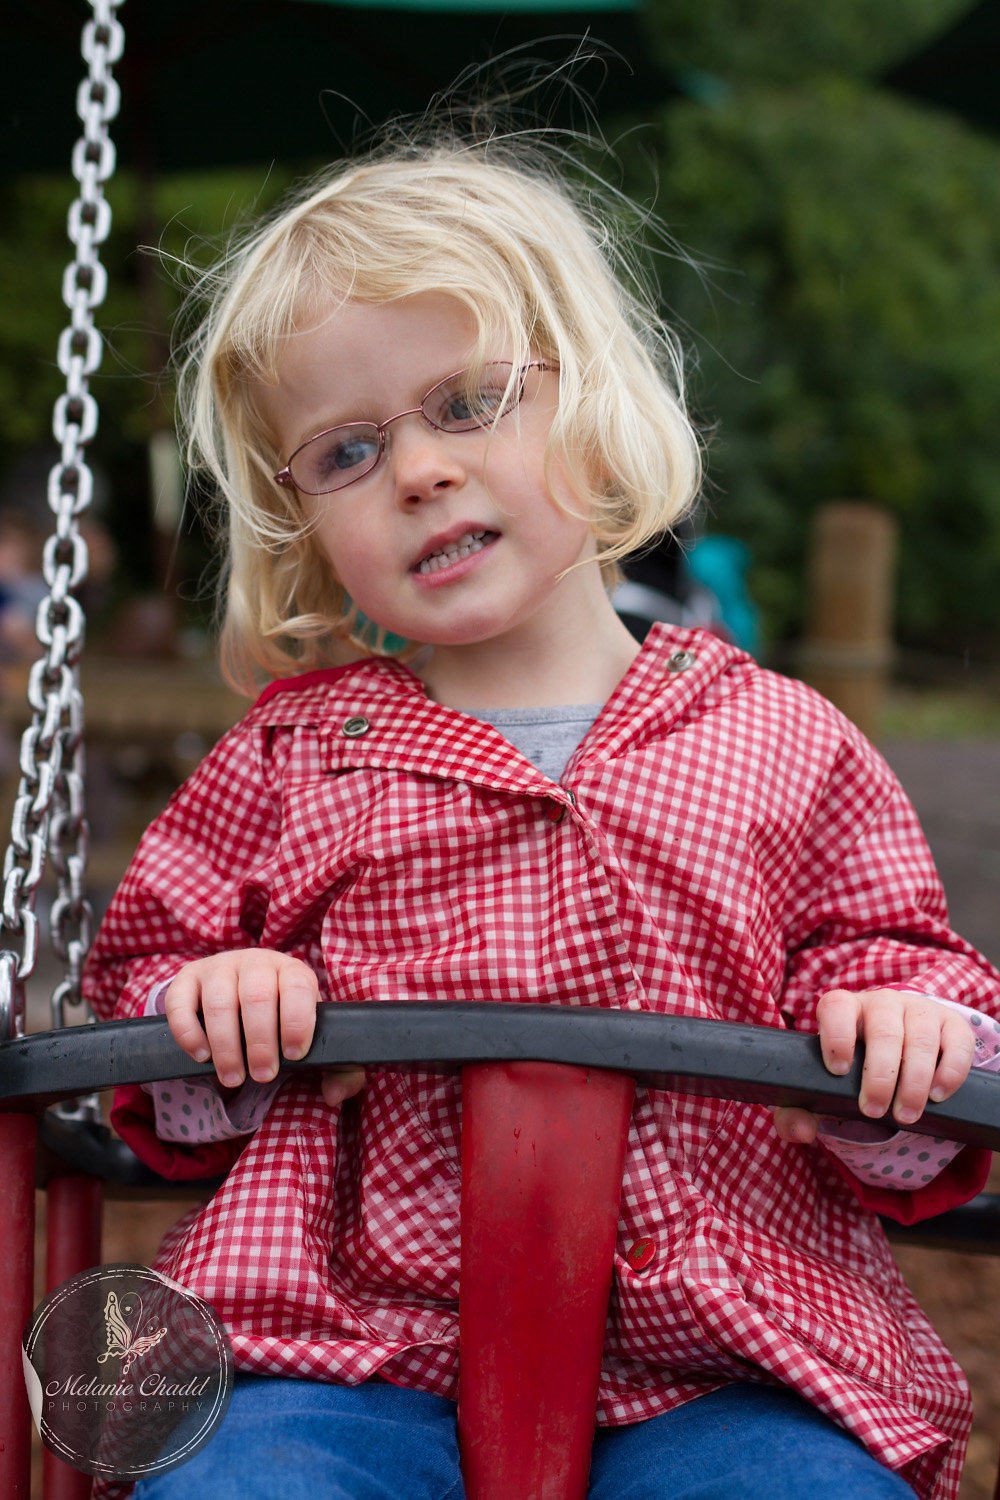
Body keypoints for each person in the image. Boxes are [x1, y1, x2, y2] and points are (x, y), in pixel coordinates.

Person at [82, 129, 1000, 1500]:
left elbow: (905, 989)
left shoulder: (784, 741)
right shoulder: (292, 755)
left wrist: (904, 1040)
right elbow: (144, 1026)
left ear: (594, 396)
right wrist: (213, 1007)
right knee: (233, 1483)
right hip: (341, 1346)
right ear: (300, 517)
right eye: (348, 450)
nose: (419, 471)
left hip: (727, 1346)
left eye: (467, 404)